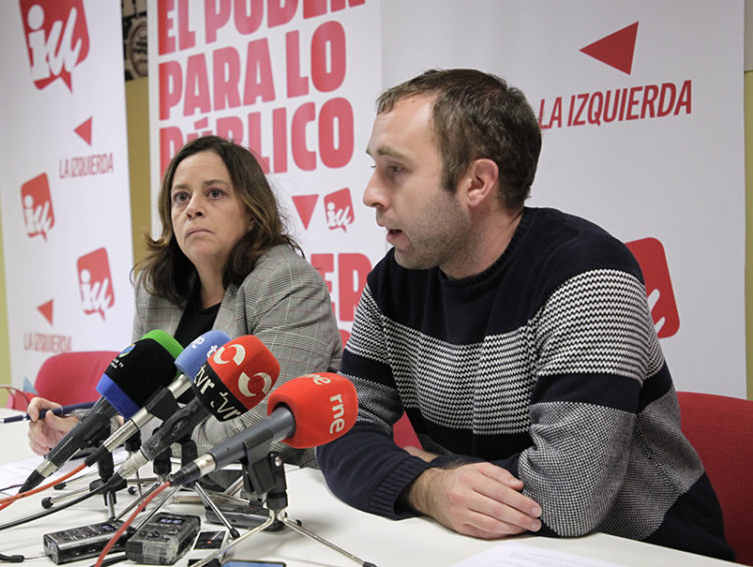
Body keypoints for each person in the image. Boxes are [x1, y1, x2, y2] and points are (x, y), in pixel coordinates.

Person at [315, 68, 734, 561]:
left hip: (646, 553)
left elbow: (565, 499)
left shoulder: (587, 274)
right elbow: (338, 431)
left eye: (396, 169)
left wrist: (427, 466)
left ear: (477, 182)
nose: (371, 194)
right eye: (374, 167)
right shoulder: (396, 279)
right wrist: (426, 486)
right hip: (493, 548)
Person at [28, 135, 343, 467]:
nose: (193, 208)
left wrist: (144, 435)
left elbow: (261, 430)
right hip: (173, 482)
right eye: (181, 197)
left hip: (271, 485)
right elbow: (137, 406)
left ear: (252, 211)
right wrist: (81, 432)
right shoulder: (156, 291)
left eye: (215, 193)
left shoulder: (287, 283)